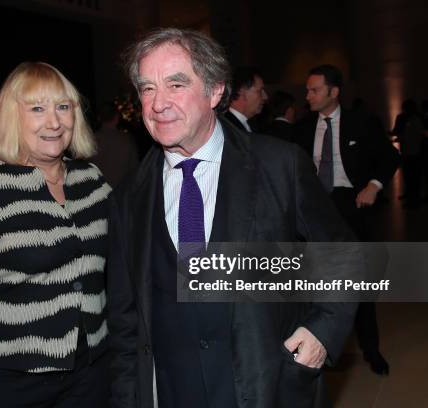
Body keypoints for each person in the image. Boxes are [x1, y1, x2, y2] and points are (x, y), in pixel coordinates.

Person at [108, 28, 357, 408]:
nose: (158, 104)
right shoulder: (128, 198)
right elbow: (126, 326)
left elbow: (344, 254)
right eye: (147, 88)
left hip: (265, 384)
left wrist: (323, 331)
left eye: (176, 84)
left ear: (215, 91)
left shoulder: (279, 166)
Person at [0, 62, 111, 408]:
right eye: (37, 109)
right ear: (11, 117)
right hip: (15, 385)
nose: (54, 122)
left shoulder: (92, 182)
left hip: (92, 375)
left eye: (63, 107)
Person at [294, 64, 400, 375]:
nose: (308, 95)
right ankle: (318, 350)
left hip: (352, 209)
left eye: (314, 90)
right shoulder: (301, 128)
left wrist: (373, 185)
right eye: (307, 90)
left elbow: (390, 157)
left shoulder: (361, 122)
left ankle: (371, 349)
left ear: (334, 92)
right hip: (315, 214)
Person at [91, 101, 140, 187]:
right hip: (121, 193)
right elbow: (135, 170)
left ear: (99, 117)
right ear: (117, 117)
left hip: (97, 193)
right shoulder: (126, 140)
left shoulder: (90, 140)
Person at [222, 66, 268, 132]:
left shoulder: (252, 124)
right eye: (260, 91)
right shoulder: (226, 127)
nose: (265, 97)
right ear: (241, 90)